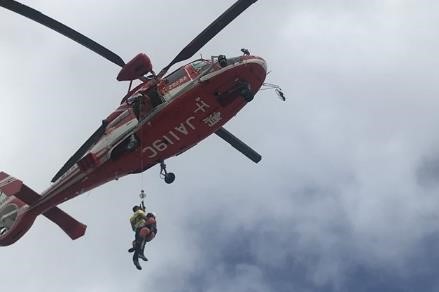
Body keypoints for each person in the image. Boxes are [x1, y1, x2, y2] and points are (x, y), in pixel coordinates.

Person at [129, 205, 157, 270]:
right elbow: (145, 217)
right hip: (141, 228)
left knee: (140, 241)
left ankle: (137, 253)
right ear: (137, 208)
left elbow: (133, 228)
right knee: (142, 242)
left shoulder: (132, 218)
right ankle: (138, 254)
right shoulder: (139, 212)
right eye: (139, 208)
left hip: (137, 229)